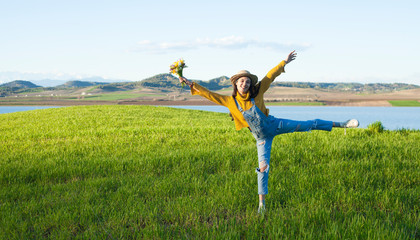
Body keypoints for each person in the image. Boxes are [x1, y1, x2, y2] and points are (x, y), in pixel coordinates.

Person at [179, 51, 359, 214]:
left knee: (308, 124)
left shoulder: (258, 92)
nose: (245, 83)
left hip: (276, 125)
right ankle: (262, 206)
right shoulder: (229, 101)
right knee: (262, 170)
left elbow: (270, 76)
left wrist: (284, 62)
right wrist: (189, 83)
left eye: (248, 81)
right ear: (236, 83)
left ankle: (342, 124)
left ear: (251, 84)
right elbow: (207, 94)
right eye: (242, 81)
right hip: (261, 139)